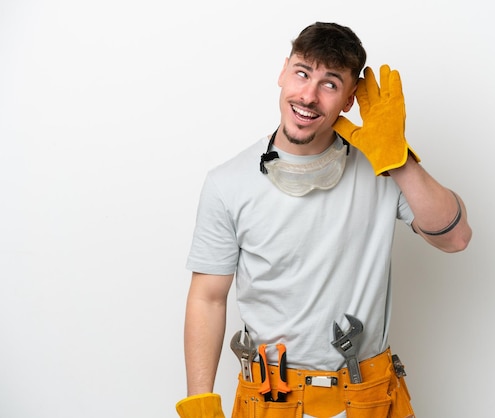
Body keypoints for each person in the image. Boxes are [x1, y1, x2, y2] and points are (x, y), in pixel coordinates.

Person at [175, 22, 472, 418]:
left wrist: (399, 161)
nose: (309, 96)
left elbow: (455, 237)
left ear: (349, 99)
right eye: (302, 73)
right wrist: (200, 403)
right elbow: (208, 298)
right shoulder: (226, 183)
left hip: (368, 396)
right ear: (283, 72)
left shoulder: (380, 168)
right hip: (271, 398)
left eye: (330, 84)